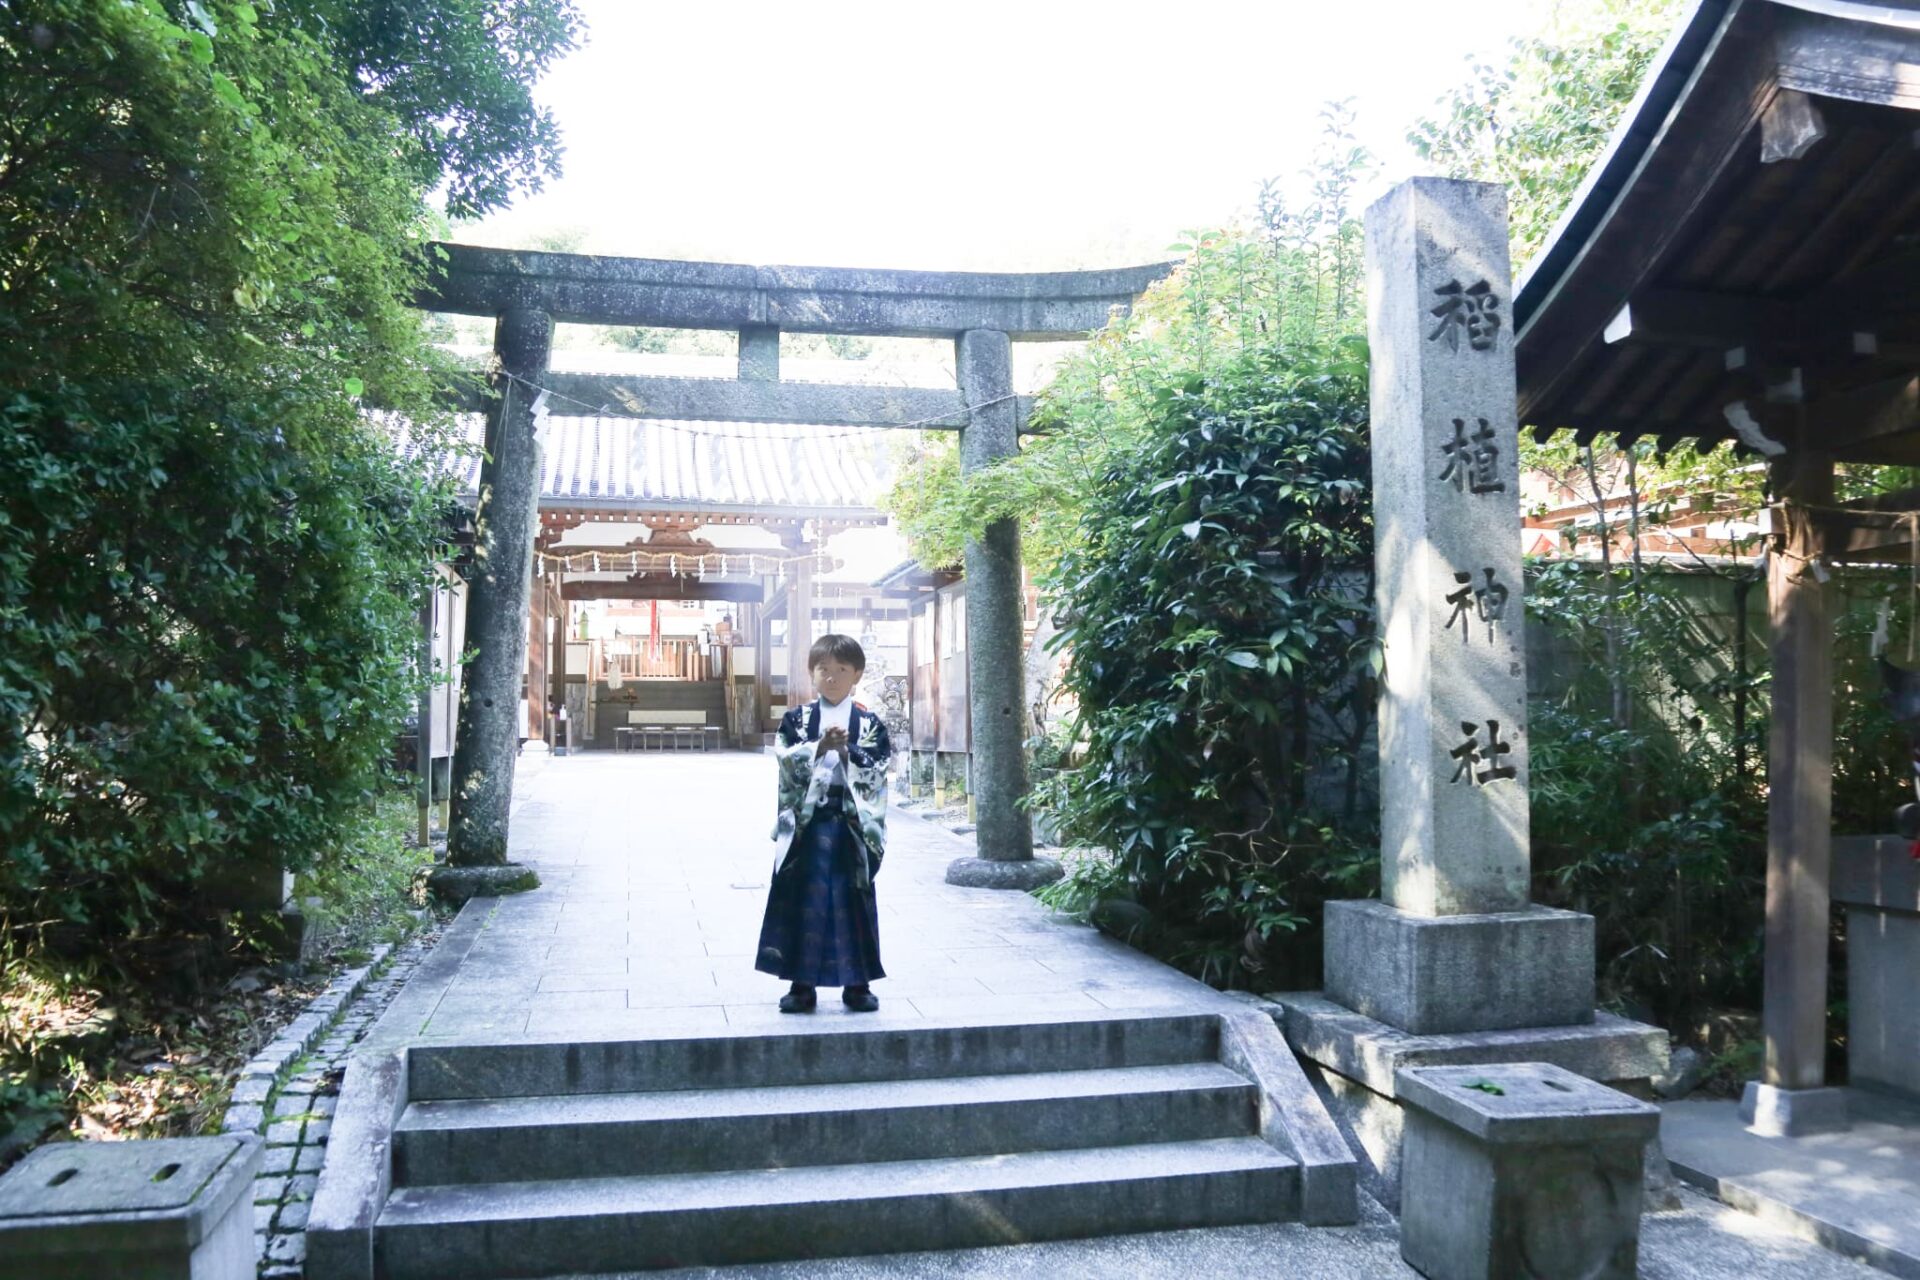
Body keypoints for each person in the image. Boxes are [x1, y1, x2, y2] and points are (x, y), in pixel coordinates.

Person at [755, 633, 891, 1013]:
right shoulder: (796, 720)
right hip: (808, 825)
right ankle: (801, 984)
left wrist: (847, 750)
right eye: (823, 670)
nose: (831, 678)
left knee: (853, 901)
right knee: (804, 900)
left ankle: (857, 983)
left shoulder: (869, 723)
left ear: (857, 674)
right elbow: (784, 757)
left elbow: (879, 766)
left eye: (841, 670)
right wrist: (817, 748)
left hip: (851, 825)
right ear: (811, 675)